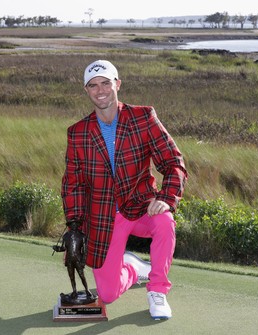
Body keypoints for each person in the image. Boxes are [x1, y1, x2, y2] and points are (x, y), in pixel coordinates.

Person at [61, 59, 187, 320]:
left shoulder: (143, 117)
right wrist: (74, 227)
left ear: (117, 84)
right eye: (93, 85)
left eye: (106, 83)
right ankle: (132, 268)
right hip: (103, 219)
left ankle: (158, 291)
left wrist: (166, 197)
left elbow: (174, 163)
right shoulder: (77, 133)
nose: (100, 90)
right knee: (107, 294)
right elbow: (72, 184)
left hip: (142, 207)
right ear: (86, 90)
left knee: (165, 221)